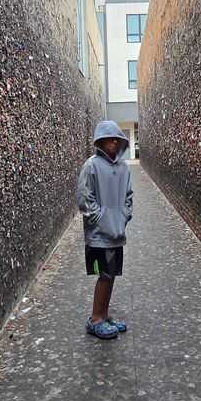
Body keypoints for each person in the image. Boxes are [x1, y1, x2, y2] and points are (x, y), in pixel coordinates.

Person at [76, 120, 133, 339]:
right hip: (100, 236)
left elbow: (128, 196)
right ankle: (96, 319)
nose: (114, 142)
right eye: (109, 139)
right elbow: (84, 198)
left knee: (111, 275)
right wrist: (102, 220)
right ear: (100, 141)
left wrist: (123, 216)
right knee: (105, 275)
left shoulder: (123, 167)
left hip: (117, 234)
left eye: (117, 139)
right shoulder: (91, 165)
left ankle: (104, 314)